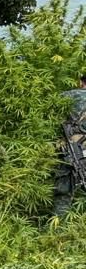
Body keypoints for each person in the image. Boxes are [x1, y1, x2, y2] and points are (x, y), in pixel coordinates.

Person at [52, 74, 86, 216]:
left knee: (63, 194)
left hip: (71, 151)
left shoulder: (68, 96)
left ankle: (57, 230)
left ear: (81, 82)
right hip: (79, 151)